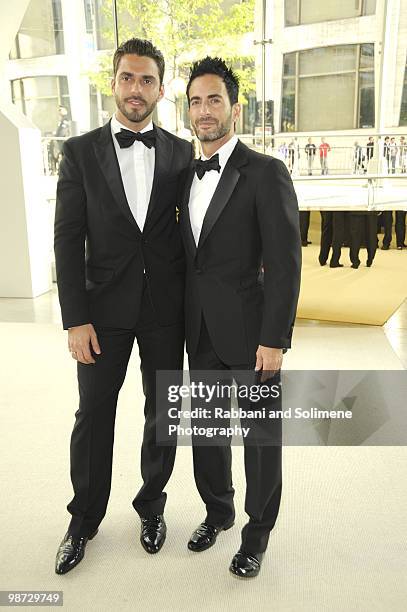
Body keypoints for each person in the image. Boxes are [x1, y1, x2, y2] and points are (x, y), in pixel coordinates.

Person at [53, 38, 193, 575]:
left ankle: (151, 507)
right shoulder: (80, 152)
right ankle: (83, 518)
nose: (137, 89)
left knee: (164, 415)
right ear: (113, 83)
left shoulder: (181, 153)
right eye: (128, 78)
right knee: (94, 416)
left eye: (148, 80)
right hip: (101, 314)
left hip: (165, 308)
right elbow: (67, 240)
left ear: (160, 88)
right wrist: (74, 318)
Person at [180, 56, 301, 579]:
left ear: (234, 107)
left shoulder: (265, 171)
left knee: (259, 440)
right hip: (198, 329)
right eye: (195, 102)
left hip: (253, 335)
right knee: (206, 433)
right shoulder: (183, 174)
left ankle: (257, 533)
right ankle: (218, 511)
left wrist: (274, 339)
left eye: (214, 100)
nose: (204, 111)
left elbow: (285, 263)